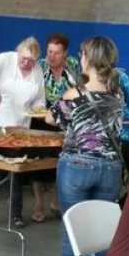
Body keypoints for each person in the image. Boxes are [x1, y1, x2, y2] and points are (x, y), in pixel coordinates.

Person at [46, 36, 125, 256]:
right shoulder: (118, 95)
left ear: (88, 59)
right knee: (105, 236)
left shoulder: (73, 93)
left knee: (72, 235)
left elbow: (50, 118)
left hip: (76, 166)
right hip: (110, 169)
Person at [0, 37, 45, 228]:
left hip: (20, 125)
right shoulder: (6, 59)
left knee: (17, 170)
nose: (26, 63)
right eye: (23, 59)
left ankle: (16, 214)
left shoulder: (37, 70)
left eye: (31, 61)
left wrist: (39, 111)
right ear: (18, 53)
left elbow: (39, 99)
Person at [34, 33, 79, 222]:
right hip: (40, 119)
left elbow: (79, 89)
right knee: (37, 162)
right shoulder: (40, 67)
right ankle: (38, 204)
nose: (51, 56)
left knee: (60, 162)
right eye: (49, 52)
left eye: (56, 53)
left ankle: (55, 201)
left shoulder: (74, 65)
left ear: (65, 53)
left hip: (66, 120)